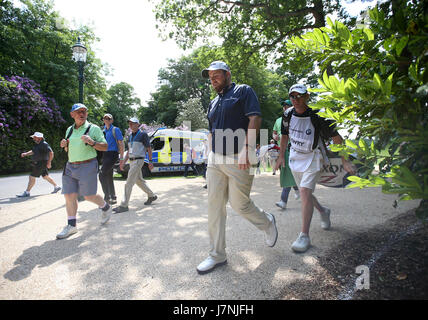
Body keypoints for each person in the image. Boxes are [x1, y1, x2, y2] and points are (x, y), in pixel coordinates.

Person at [197, 60, 278, 274]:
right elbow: (212, 130)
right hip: (215, 159)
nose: (213, 80)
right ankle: (217, 255)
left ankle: (267, 222)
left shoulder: (243, 91)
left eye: (216, 75)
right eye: (210, 77)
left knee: (240, 204)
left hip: (240, 156)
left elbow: (255, 118)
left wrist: (248, 147)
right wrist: (209, 152)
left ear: (227, 74)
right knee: (214, 206)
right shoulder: (213, 103)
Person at [275, 84, 356, 253]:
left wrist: (345, 161)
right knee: (307, 194)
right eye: (293, 96)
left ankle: (304, 235)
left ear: (307, 97)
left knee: (304, 192)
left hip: (313, 157)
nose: (296, 100)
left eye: (300, 96)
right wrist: (281, 156)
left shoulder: (319, 115)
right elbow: (284, 136)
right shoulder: (287, 114)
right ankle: (323, 211)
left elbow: (337, 139)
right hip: (295, 158)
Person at [56, 103, 111, 240]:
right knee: (69, 195)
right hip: (70, 166)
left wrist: (92, 142)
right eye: (79, 112)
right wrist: (64, 145)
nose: (82, 114)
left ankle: (105, 207)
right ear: (72, 115)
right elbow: (69, 149)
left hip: (88, 165)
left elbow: (104, 147)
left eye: (84, 112)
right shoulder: (69, 130)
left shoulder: (94, 128)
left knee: (88, 196)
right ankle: (72, 225)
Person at [113, 117, 157, 213]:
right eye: (130, 124)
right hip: (132, 161)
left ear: (138, 124)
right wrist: (124, 162)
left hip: (138, 160)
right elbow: (129, 151)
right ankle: (151, 196)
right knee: (138, 181)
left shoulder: (143, 135)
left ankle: (124, 205)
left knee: (129, 183)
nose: (131, 125)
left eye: (133, 123)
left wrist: (150, 161)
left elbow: (149, 148)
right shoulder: (130, 136)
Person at [272, 99, 300, 210]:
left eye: (288, 105)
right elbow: (274, 133)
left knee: (288, 173)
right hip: (282, 151)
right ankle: (297, 189)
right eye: (284, 106)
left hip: (294, 150)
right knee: (287, 173)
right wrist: (275, 137)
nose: (285, 107)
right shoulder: (279, 120)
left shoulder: (297, 119)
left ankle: (283, 200)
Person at [16, 132, 61, 197]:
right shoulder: (38, 144)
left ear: (39, 138)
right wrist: (26, 154)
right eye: (33, 137)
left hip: (41, 163)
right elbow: (33, 151)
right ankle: (56, 187)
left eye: (35, 137)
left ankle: (27, 192)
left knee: (32, 177)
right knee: (45, 176)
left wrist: (49, 162)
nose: (33, 138)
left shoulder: (44, 144)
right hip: (40, 163)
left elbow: (51, 153)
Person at [99, 113, 124, 205]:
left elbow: (121, 143)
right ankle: (113, 197)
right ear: (103, 120)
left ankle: (107, 197)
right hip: (105, 154)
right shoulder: (103, 131)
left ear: (112, 120)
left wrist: (121, 158)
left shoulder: (115, 130)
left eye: (109, 119)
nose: (107, 120)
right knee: (108, 176)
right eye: (105, 118)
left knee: (102, 175)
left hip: (113, 154)